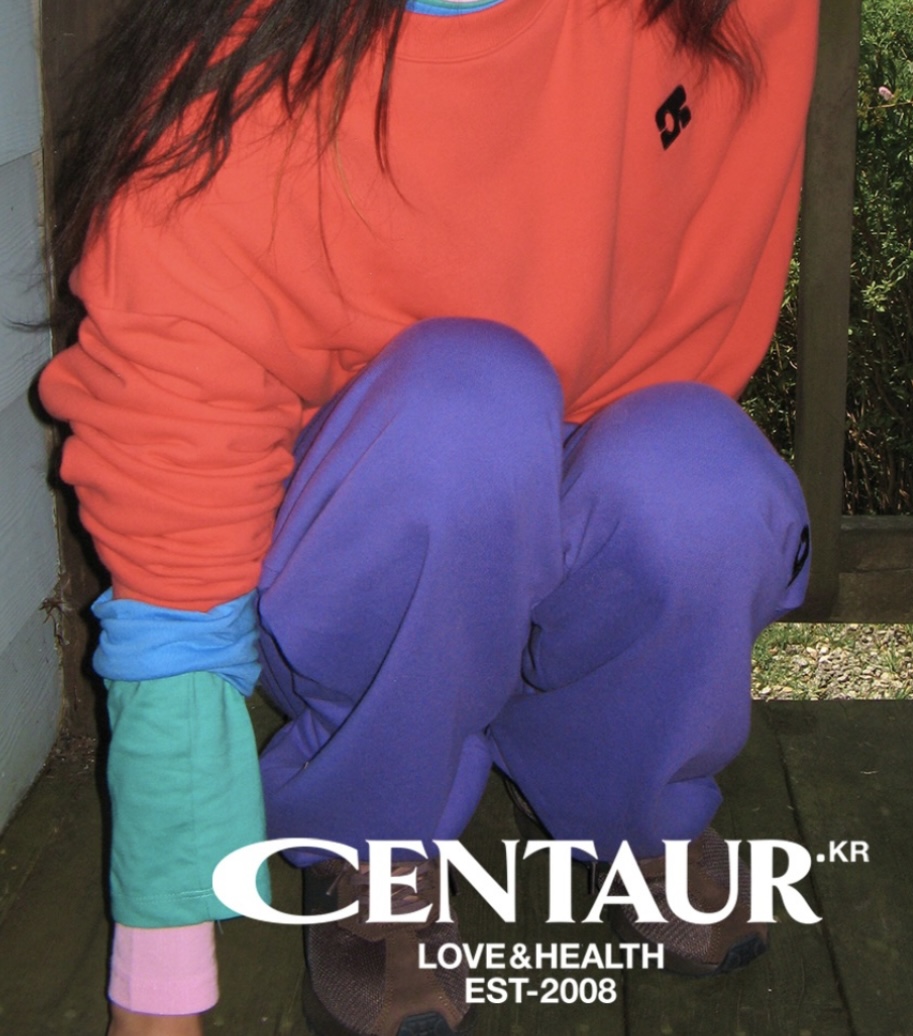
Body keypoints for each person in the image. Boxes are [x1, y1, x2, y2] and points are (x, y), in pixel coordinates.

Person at [40, 0, 819, 1032]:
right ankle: (373, 837)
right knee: (467, 410)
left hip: (579, 487)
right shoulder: (233, 101)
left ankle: (625, 795)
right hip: (367, 552)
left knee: (704, 481)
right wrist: (159, 992)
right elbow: (173, 593)